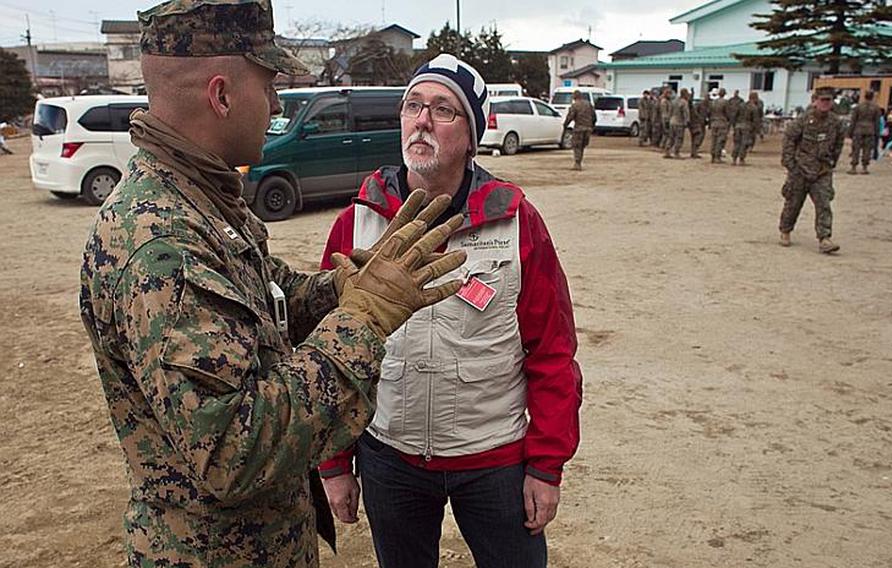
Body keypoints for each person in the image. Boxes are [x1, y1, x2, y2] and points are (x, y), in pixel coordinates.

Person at [78, 2, 468, 566]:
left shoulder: (201, 199)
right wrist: (365, 318)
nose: (279, 104)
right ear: (222, 95)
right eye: (270, 85)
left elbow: (265, 301)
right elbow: (235, 447)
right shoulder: (163, 243)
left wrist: (340, 292)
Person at [318, 53, 583, 568]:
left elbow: (551, 350)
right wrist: (333, 464)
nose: (421, 119)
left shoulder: (515, 222)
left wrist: (545, 466)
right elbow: (326, 350)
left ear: (471, 135)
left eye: (443, 110)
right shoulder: (357, 224)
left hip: (495, 460)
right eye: (412, 105)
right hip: (389, 457)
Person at [778, 86, 846, 254]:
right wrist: (790, 165)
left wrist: (831, 164)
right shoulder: (802, 120)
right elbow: (789, 141)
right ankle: (785, 230)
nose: (825, 103)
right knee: (793, 203)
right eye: (822, 100)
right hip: (800, 169)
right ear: (815, 101)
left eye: (828, 100)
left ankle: (824, 238)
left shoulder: (835, 122)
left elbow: (838, 144)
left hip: (822, 170)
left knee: (824, 204)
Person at [848, 89, 881, 175]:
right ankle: (864, 167)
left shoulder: (858, 106)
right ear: (872, 96)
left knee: (855, 149)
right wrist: (877, 133)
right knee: (867, 149)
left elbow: (853, 120)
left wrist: (850, 132)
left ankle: (853, 167)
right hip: (870, 130)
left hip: (858, 129)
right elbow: (877, 122)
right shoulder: (876, 108)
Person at [563, 89, 596, 170]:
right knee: (582, 146)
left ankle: (577, 163)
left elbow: (570, 116)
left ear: (575, 97)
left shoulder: (575, 105)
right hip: (588, 128)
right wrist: (592, 126)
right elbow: (594, 117)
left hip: (579, 129)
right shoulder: (588, 104)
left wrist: (565, 125)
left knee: (577, 146)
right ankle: (579, 162)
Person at [731, 92, 762, 166]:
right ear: (755, 98)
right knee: (744, 144)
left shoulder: (740, 105)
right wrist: (758, 130)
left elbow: (734, 116)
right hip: (747, 127)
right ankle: (741, 159)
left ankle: (734, 159)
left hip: (738, 126)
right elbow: (755, 120)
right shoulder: (754, 108)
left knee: (737, 143)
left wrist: (734, 125)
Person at [665, 88, 690, 159]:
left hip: (672, 121)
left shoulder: (674, 101)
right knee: (679, 138)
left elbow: (669, 111)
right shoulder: (684, 102)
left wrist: (668, 120)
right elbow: (686, 113)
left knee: (671, 137)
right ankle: (676, 152)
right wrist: (687, 121)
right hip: (679, 122)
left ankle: (667, 151)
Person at [709, 88, 730, 163]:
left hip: (713, 122)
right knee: (720, 140)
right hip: (722, 123)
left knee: (713, 140)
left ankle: (712, 156)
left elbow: (710, 112)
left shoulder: (713, 102)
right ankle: (717, 157)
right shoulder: (725, 102)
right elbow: (727, 113)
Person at [689, 95, 708, 159]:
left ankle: (694, 152)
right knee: (698, 137)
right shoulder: (698, 105)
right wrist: (699, 119)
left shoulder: (707, 105)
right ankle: (694, 152)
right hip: (697, 124)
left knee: (698, 138)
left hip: (701, 123)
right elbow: (694, 113)